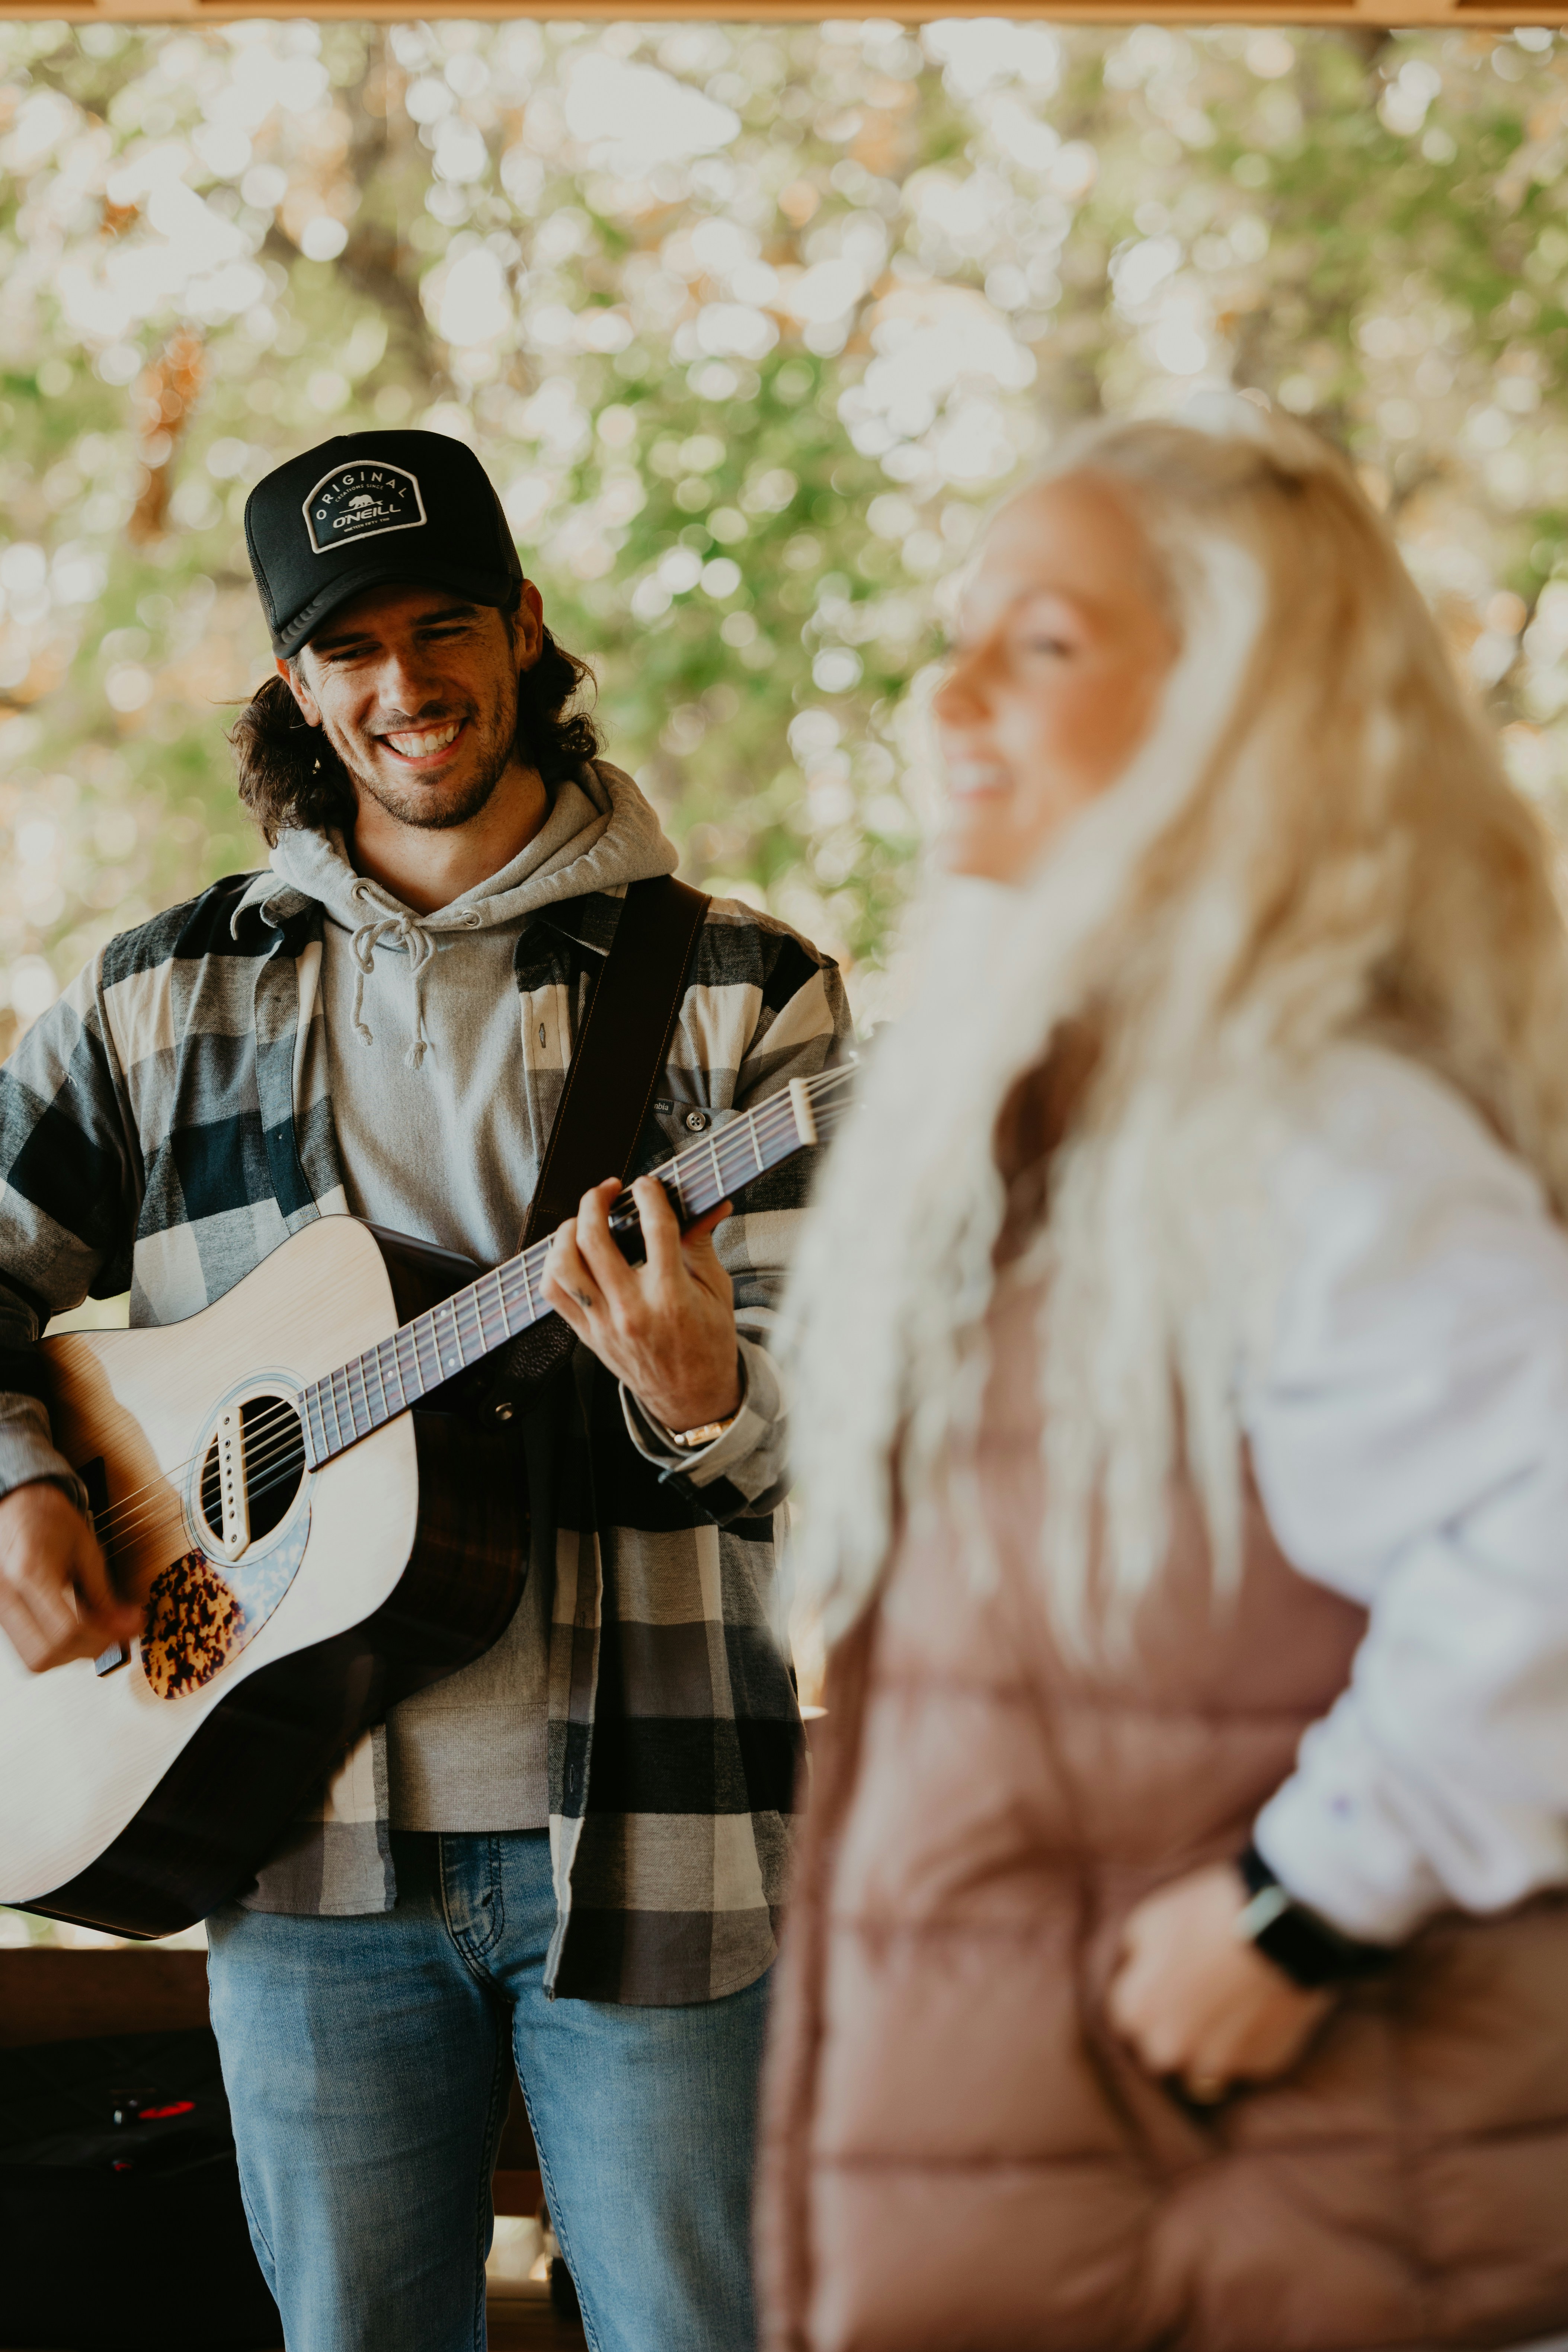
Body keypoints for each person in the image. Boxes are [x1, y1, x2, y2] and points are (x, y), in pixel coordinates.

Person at [0, 428, 849, 2352]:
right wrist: (21, 1483)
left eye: (444, 626)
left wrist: (711, 1389)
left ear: (525, 627)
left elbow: (848, 1412)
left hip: (661, 1831)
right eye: (349, 649)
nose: (405, 688)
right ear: (295, 681)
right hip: (287, 1833)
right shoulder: (162, 997)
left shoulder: (738, 998)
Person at [758, 410, 1568, 2352]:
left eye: (1040, 641)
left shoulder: (1303, 1121)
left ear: (1231, 703)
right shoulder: (1108, 1119)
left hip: (1318, 2222)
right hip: (1148, 2221)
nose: (945, 689)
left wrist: (1301, 1904)